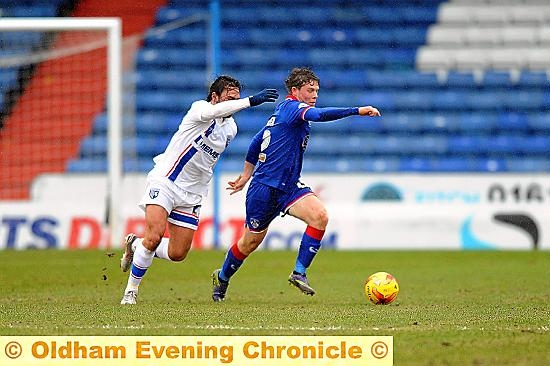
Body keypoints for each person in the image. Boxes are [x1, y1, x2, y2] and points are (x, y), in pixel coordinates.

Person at [210, 67, 380, 301]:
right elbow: (318, 116)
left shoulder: (282, 112)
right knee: (249, 242)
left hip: (289, 186)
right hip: (265, 189)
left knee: (320, 216)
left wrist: (245, 174)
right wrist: (356, 111)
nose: (315, 95)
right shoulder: (292, 107)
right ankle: (222, 277)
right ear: (295, 91)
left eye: (317, 90)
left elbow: (257, 140)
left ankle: (299, 272)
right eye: (310, 90)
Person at [119, 75, 278, 304]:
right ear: (215, 97)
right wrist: (251, 101)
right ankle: (131, 292)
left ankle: (135, 244)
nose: (234, 103)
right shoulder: (199, 109)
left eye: (237, 99)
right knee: (153, 237)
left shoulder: (231, 128)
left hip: (192, 194)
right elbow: (213, 113)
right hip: (166, 181)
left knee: (177, 253)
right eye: (228, 98)